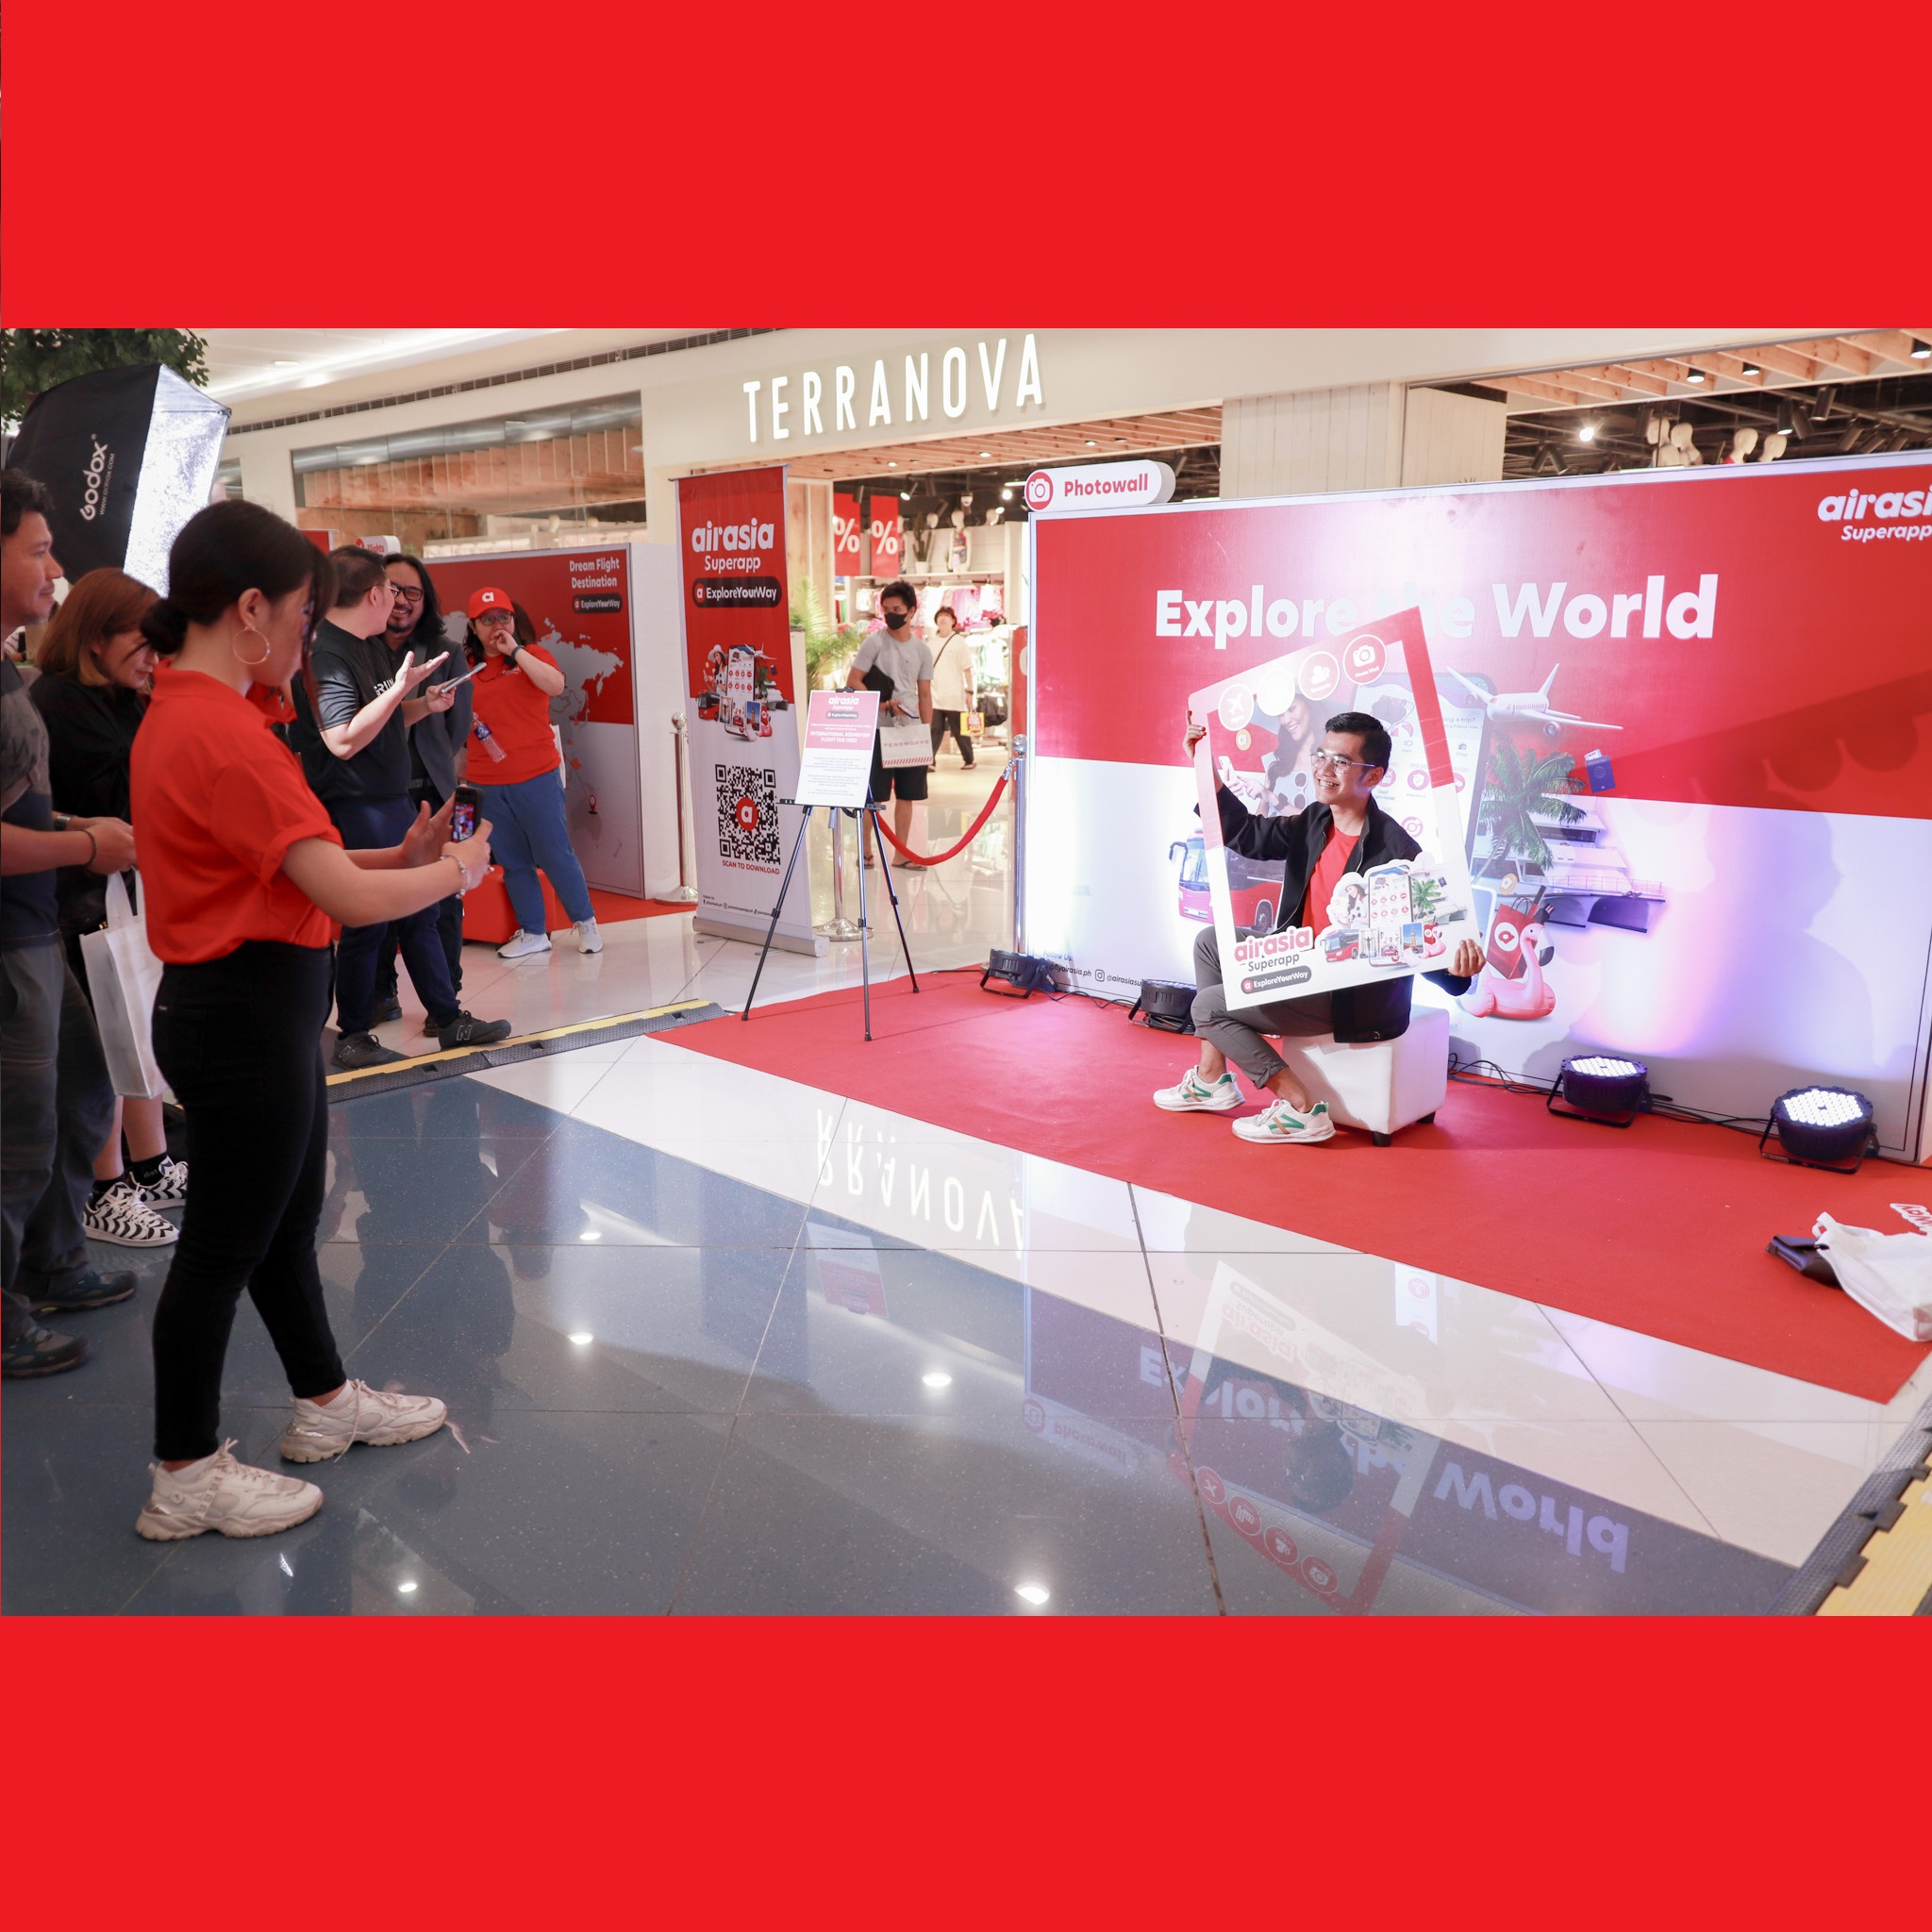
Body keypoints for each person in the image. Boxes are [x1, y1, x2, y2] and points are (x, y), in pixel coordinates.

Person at [128, 501, 488, 1541]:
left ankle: (324, 1400)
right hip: (241, 1015)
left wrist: (400, 857)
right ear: (249, 609)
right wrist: (455, 873)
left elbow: (299, 867)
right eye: (299, 614)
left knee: (285, 1225)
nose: (307, 636)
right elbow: (344, 896)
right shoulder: (216, 730)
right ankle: (185, 1470)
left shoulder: (210, 714)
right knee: (221, 1248)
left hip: (258, 1010)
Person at [1155, 709, 1485, 1144]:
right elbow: (1247, 834)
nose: (1324, 770)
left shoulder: (1397, 853)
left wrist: (1459, 966)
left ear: (1374, 776)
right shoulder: (1316, 820)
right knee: (1209, 942)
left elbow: (1420, 946)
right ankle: (1212, 1078)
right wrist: (1205, 767)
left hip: (1347, 996)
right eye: (1321, 756)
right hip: (1300, 965)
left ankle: (1301, 1108)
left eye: (1341, 761)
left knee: (1209, 1006)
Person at [1, 470, 139, 1378]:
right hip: (13, 940)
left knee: (81, 1086)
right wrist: (84, 848)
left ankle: (50, 1261)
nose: (54, 568)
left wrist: (73, 829)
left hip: (36, 927)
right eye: (40, 550)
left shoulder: (10, 678)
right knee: (16, 1134)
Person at [290, 545, 510, 1068]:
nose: (397, 600)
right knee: (369, 921)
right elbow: (343, 739)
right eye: (391, 590)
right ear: (373, 594)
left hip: (387, 799)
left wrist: (419, 704)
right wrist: (399, 692)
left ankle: (448, 1018)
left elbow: (380, 719)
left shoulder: (365, 646)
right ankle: (353, 1033)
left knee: (420, 911)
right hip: (355, 801)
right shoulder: (327, 653)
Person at [29, 569, 185, 1249]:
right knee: (102, 1041)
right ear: (96, 637)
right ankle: (104, 1186)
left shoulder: (126, 697)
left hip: (124, 889)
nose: (152, 657)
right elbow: (67, 807)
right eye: (140, 642)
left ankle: (149, 1165)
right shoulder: (55, 704)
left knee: (136, 1024)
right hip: (73, 898)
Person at [462, 585, 600, 960]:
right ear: (473, 626)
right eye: (486, 620)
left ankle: (586, 922)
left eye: (503, 617)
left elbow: (556, 685)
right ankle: (534, 931)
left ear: (513, 619)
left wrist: (516, 652)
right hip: (486, 780)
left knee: (554, 852)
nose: (496, 626)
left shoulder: (532, 655)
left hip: (536, 774)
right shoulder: (466, 666)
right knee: (512, 859)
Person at [370, 554, 471, 1030]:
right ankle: (381, 993)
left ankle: (445, 997)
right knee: (381, 897)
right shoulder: (358, 648)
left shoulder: (445, 651)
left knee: (444, 895)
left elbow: (457, 727)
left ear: (425, 600)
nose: (402, 600)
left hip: (433, 789)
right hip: (376, 794)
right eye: (393, 588)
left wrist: (429, 757)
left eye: (413, 592)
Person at [845, 579, 932, 868]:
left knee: (908, 795)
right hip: (879, 730)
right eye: (886, 609)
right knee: (875, 795)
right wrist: (880, 703)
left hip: (911, 731)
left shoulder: (922, 650)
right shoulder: (874, 643)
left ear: (911, 611)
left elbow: (925, 694)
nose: (891, 614)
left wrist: (927, 734)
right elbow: (854, 680)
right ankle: (866, 851)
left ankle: (901, 854)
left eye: (897, 609)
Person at [926, 602, 976, 770]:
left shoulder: (959, 642)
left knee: (959, 729)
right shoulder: (931, 643)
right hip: (935, 694)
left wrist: (970, 690)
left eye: (947, 616)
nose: (943, 619)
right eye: (940, 616)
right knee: (935, 728)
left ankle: (969, 759)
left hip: (955, 694)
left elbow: (967, 668)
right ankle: (930, 761)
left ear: (953, 621)